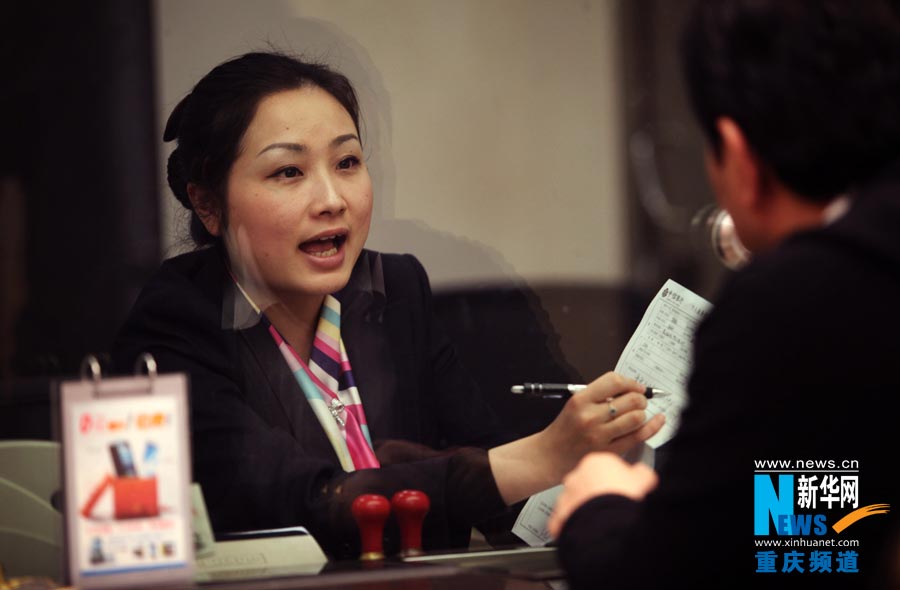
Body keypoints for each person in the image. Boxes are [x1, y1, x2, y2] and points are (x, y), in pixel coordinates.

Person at [113, 51, 664, 559]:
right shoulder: (175, 324)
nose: (332, 200)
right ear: (208, 205)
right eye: (289, 172)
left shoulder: (393, 290)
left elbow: (493, 486)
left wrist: (591, 462)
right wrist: (540, 456)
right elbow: (302, 500)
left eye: (348, 162)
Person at [549, 1, 900, 588]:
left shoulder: (797, 303)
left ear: (737, 157)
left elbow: (679, 572)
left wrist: (603, 505)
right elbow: (830, 525)